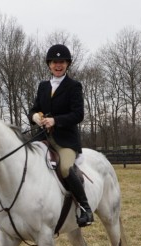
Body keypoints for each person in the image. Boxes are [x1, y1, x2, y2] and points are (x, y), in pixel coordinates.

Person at [29, 44, 94, 227]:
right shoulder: (43, 86)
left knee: (65, 168)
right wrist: (35, 117)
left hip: (66, 140)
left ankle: (85, 208)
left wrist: (55, 120)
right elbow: (34, 109)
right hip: (42, 137)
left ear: (67, 64)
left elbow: (78, 114)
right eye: (55, 62)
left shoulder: (74, 86)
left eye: (62, 62)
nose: (58, 65)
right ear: (49, 65)